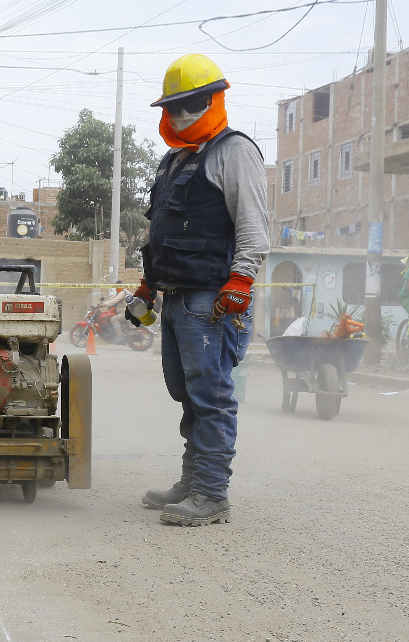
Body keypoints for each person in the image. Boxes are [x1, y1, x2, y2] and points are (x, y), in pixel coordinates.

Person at [127, 54, 269, 526]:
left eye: (192, 103)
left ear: (213, 99)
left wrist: (241, 281)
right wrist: (148, 287)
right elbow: (161, 232)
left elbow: (253, 224)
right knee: (186, 392)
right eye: (175, 105)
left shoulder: (235, 151)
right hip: (176, 296)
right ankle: (193, 481)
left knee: (211, 395)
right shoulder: (176, 159)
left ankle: (212, 494)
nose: (182, 113)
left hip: (212, 299)